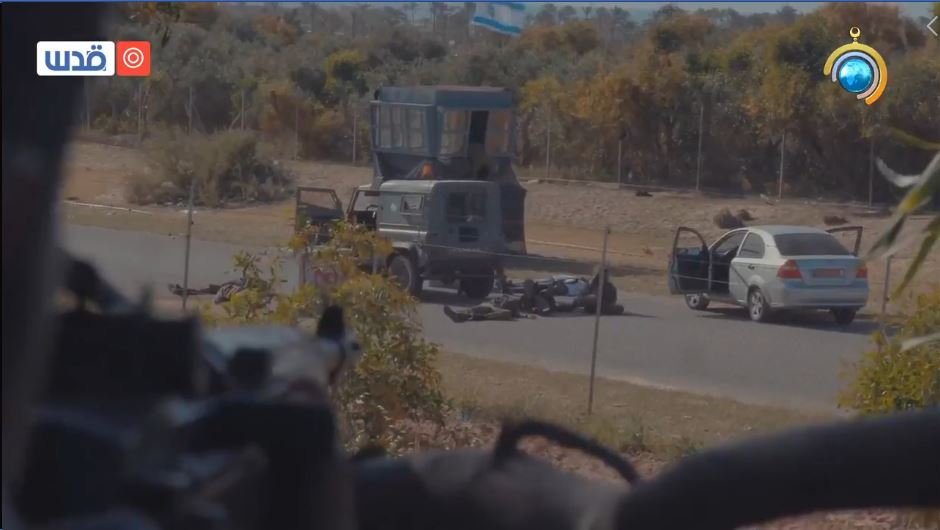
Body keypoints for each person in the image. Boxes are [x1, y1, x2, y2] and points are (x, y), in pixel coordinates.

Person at [443, 280, 552, 323]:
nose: (528, 290)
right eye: (527, 287)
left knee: (506, 313)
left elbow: (521, 313)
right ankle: (457, 314)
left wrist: (529, 316)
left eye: (530, 288)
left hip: (500, 309)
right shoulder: (517, 291)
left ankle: (476, 317)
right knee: (479, 308)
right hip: (494, 303)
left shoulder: (532, 302)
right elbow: (507, 287)